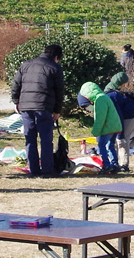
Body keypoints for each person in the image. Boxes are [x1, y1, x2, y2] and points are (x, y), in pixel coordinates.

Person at [12, 42, 66, 176]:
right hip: (44, 106)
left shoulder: (25, 64)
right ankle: (47, 170)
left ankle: (34, 169)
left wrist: (16, 101)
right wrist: (57, 110)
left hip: (26, 106)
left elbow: (16, 84)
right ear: (56, 57)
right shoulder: (55, 68)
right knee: (46, 139)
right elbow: (59, 91)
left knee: (29, 138)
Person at [78, 79, 123, 175]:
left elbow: (100, 118)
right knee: (110, 146)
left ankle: (106, 165)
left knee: (102, 146)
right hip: (115, 127)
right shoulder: (104, 97)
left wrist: (96, 131)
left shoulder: (99, 100)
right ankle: (114, 165)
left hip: (107, 128)